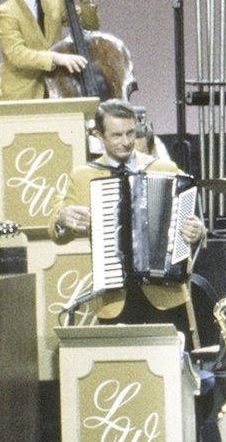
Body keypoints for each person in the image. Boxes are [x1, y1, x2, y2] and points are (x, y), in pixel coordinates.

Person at [54, 99, 208, 331]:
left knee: (169, 365)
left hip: (165, 295)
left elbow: (191, 226)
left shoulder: (164, 168)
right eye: (116, 135)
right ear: (99, 135)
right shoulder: (83, 176)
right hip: (114, 298)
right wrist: (61, 220)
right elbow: (59, 235)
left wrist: (197, 233)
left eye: (130, 133)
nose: (126, 142)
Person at [0, 0, 100, 100]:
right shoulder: (6, 12)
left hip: (57, 89)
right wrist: (56, 58)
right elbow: (16, 55)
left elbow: (90, 26)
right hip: (23, 94)